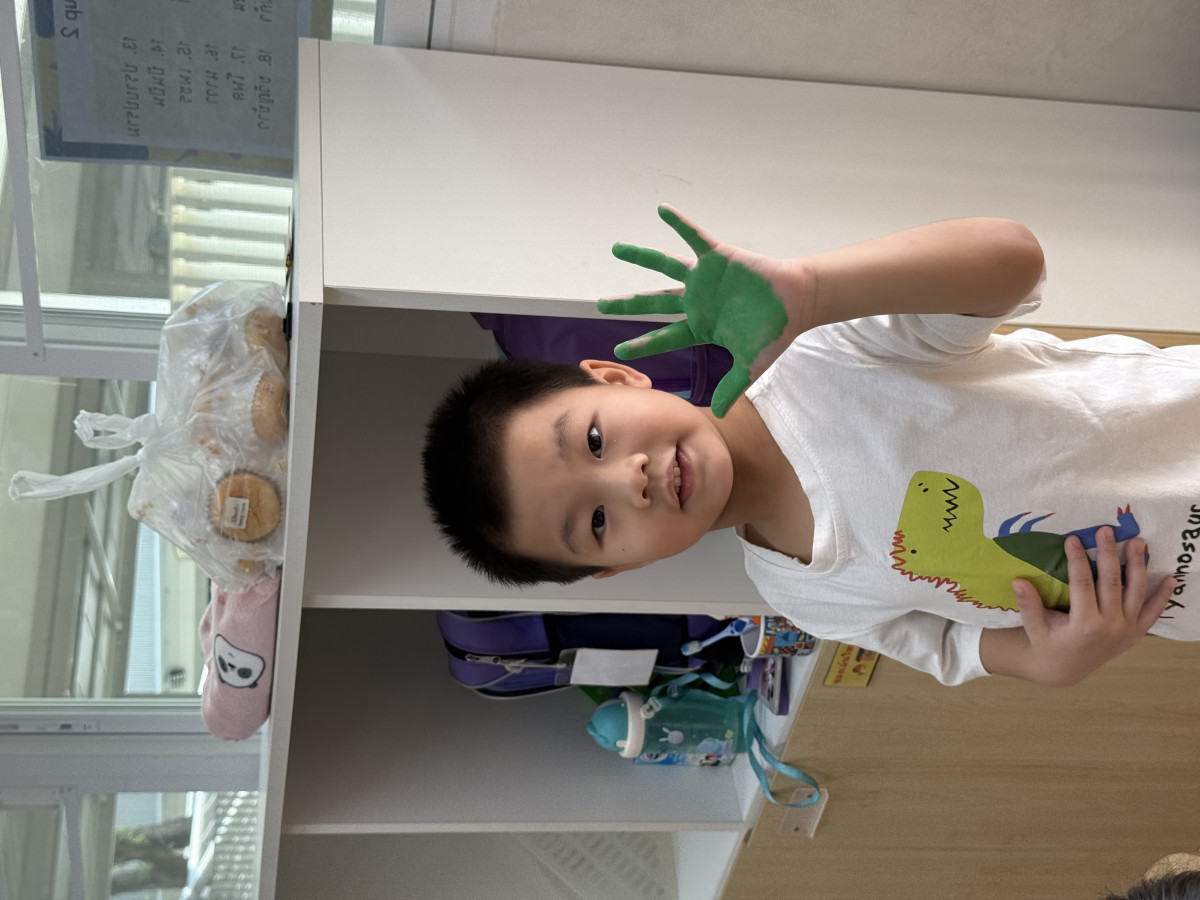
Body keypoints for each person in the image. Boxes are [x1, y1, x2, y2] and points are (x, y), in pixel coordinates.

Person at [422, 206, 1196, 686]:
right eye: (596, 522)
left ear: (617, 378)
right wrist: (1050, 662)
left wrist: (818, 289)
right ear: (618, 568)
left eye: (594, 439)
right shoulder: (802, 596)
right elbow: (954, 649)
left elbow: (1012, 258)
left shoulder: (818, 354)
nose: (631, 481)